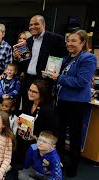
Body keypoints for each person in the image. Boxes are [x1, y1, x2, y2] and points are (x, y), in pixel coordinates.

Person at [43, 29, 97, 177]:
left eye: (74, 40)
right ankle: (58, 162)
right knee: (59, 132)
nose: (69, 43)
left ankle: (72, 167)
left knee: (74, 135)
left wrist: (58, 78)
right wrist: (50, 75)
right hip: (62, 100)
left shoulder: (88, 58)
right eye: (68, 40)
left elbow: (81, 82)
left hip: (76, 103)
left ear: (83, 42)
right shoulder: (67, 58)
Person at [17, 15, 68, 107]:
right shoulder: (28, 42)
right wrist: (17, 57)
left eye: (36, 24)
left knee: (42, 110)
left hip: (44, 82)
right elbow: (24, 62)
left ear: (44, 25)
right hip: (28, 80)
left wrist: (55, 73)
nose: (32, 27)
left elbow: (65, 58)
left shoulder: (55, 39)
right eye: (31, 25)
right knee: (27, 108)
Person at [15, 80, 59, 166]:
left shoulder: (48, 110)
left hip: (38, 143)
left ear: (42, 94)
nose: (30, 93)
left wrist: (37, 137)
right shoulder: (28, 103)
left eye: (34, 92)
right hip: (25, 139)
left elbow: (53, 133)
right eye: (29, 90)